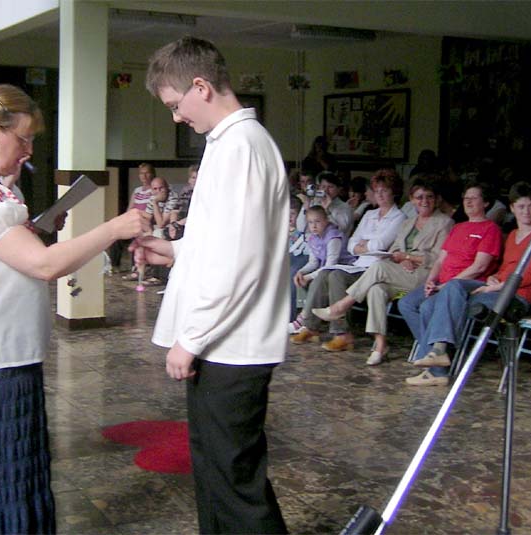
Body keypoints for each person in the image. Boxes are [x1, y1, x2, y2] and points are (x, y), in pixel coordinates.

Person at [0, 84, 150, 533]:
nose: (28, 152)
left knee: (3, 482)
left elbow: (3, 262)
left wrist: (35, 230)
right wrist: (113, 228)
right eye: (23, 139)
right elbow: (44, 266)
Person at [135, 36, 289, 534]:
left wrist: (192, 337)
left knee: (235, 482)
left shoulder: (242, 147)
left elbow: (239, 263)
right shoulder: (226, 145)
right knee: (213, 471)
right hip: (222, 342)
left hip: (232, 344)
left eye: (175, 105)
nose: (176, 117)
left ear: (200, 86)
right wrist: (175, 251)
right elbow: (222, 241)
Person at [401, 181, 531, 386]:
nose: (526, 211)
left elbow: (529, 276)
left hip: (517, 297)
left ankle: (437, 363)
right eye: (521, 206)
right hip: (497, 288)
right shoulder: (512, 236)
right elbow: (504, 269)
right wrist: (494, 277)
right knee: (438, 297)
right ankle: (437, 359)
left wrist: (495, 286)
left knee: (444, 299)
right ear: (512, 208)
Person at [312, 177, 454, 365]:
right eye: (419, 197)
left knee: (378, 266)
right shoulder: (409, 222)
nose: (424, 201)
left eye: (429, 197)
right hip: (401, 272)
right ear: (412, 200)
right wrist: (402, 259)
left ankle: (341, 306)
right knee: (376, 289)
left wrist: (409, 257)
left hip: (425, 275)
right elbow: (394, 250)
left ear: (436, 200)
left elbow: (438, 258)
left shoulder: (444, 222)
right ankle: (380, 345)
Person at [398, 180, 503, 386]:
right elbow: (440, 260)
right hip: (442, 282)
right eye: (466, 198)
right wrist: (431, 280)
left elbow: (479, 267)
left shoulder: (490, 229)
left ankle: (436, 367)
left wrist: (446, 285)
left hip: (466, 285)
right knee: (407, 303)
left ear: (486, 203)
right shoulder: (458, 227)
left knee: (428, 307)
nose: (468, 202)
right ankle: (434, 354)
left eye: (474, 198)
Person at [292, 170, 406, 350]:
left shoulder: (399, 217)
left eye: (384, 190)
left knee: (336, 275)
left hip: (376, 268)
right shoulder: (370, 214)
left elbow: (381, 244)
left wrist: (364, 245)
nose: (380, 195)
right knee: (325, 273)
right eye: (377, 191)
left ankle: (342, 334)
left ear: (394, 192)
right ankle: (311, 326)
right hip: (357, 263)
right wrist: (364, 246)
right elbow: (352, 243)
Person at [289, 205, 353, 331]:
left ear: (326, 220)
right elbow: (313, 262)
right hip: (326, 271)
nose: (314, 226)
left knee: (317, 280)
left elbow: (330, 265)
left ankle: (303, 319)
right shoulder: (313, 238)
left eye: (317, 221)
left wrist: (309, 277)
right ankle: (308, 324)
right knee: (303, 276)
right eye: (310, 222)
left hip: (343, 269)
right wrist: (301, 272)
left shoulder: (333, 237)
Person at [314, 171, 354, 237]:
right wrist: (306, 205)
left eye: (330, 187)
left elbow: (339, 230)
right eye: (323, 186)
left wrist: (326, 211)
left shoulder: (345, 207)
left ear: (338, 189)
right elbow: (301, 227)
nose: (326, 190)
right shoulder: (316, 203)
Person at [168, 164, 198, 240]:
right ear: (189, 180)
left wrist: (179, 223)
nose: (196, 181)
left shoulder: (206, 194)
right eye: (193, 178)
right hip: (180, 224)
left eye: (198, 178)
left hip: (195, 224)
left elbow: (199, 215)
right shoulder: (186, 191)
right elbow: (175, 210)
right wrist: (173, 224)